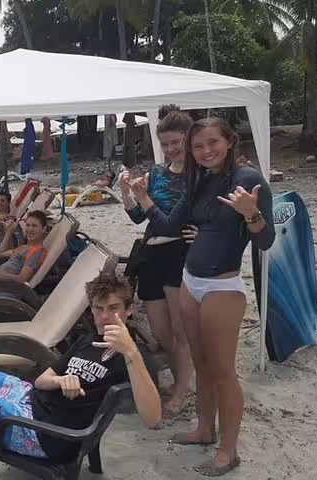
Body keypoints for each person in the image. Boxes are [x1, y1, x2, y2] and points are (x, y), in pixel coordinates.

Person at [0, 273, 161, 479]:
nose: (105, 317)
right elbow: (41, 380)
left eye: (114, 308)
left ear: (128, 311)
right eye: (99, 308)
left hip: (45, 433)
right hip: (30, 397)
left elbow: (152, 418)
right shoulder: (87, 340)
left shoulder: (136, 357)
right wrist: (60, 380)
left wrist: (130, 353)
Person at [169, 118, 275, 476]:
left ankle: (229, 452)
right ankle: (203, 429)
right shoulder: (200, 178)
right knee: (202, 365)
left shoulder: (249, 181)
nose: (205, 151)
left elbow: (265, 242)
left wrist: (252, 214)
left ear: (229, 141)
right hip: (190, 281)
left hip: (222, 287)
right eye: (198, 146)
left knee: (223, 372)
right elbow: (180, 221)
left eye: (212, 142)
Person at [118, 104, 195, 416]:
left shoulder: (198, 176)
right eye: (165, 144)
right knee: (162, 332)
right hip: (150, 254)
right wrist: (127, 193)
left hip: (180, 255)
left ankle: (181, 388)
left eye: (176, 142)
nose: (171, 148)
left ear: (189, 139)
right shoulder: (158, 173)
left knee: (179, 331)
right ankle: (181, 379)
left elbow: (173, 223)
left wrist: (145, 198)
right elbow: (139, 217)